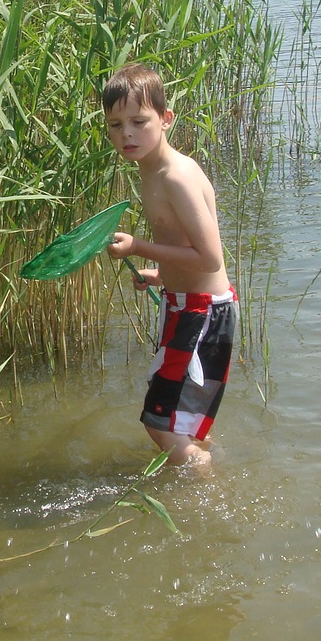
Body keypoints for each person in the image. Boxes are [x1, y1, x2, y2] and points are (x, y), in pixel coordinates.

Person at [102, 63, 238, 467]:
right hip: (187, 304)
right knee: (181, 419)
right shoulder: (151, 171)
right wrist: (160, 275)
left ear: (166, 119)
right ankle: (204, 464)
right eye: (115, 124)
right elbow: (187, 249)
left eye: (139, 121)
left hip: (203, 311)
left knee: (159, 422)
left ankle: (203, 489)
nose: (126, 133)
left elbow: (211, 257)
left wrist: (139, 246)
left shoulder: (175, 176)